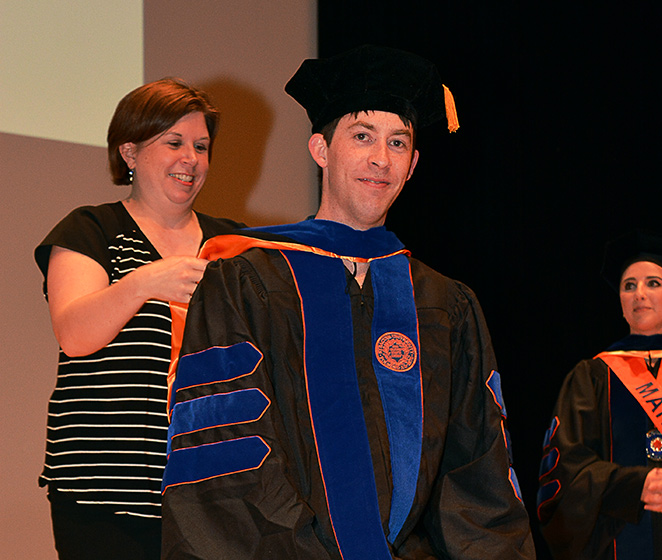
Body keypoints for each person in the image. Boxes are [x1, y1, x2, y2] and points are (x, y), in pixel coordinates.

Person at [161, 45, 535, 559]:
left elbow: (477, 476)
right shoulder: (246, 279)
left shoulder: (446, 305)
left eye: (398, 142)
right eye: (362, 137)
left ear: (413, 164)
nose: (381, 159)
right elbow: (226, 453)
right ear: (321, 149)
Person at [34, 78, 245, 559]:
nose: (189, 159)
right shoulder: (91, 229)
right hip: (102, 492)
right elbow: (74, 333)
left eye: (201, 146)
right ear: (129, 153)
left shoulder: (232, 245)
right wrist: (144, 282)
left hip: (210, 489)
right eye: (173, 143)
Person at [537, 230, 662, 560]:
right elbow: (565, 471)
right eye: (629, 286)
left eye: (653, 283)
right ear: (621, 302)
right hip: (614, 543)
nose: (639, 294)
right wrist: (633, 486)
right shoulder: (592, 375)